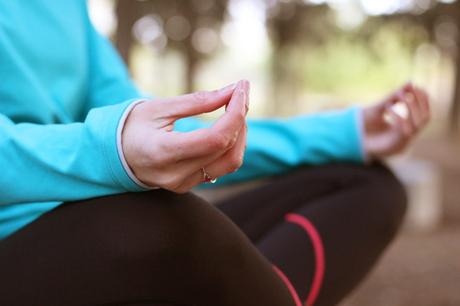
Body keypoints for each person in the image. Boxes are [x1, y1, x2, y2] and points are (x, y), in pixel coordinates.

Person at [0, 1, 430, 306]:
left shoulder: (65, 7)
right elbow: (113, 141)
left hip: (102, 237)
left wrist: (347, 133)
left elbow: (144, 125)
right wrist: (113, 148)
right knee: (160, 218)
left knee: (365, 184)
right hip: (17, 251)